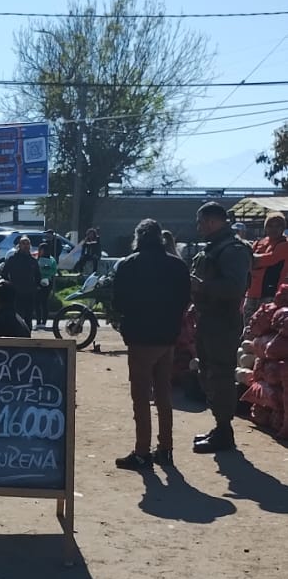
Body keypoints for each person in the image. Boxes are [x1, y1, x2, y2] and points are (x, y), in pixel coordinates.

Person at [111, 218, 191, 470]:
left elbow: (118, 303)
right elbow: (185, 301)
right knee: (164, 394)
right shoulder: (178, 266)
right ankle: (165, 448)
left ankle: (142, 451)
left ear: (138, 238)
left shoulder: (128, 265)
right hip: (167, 338)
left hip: (140, 338)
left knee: (141, 397)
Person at [190, 200, 252, 453]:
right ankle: (220, 426)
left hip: (222, 322)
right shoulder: (214, 248)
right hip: (208, 318)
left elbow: (236, 287)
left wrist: (201, 287)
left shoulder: (233, 250)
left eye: (202, 222)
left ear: (214, 221)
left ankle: (225, 432)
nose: (199, 227)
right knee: (207, 372)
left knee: (220, 375)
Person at [245, 213, 288, 320]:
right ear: (265, 228)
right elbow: (247, 262)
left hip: (272, 295)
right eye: (270, 226)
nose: (273, 229)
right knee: (248, 329)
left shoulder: (285, 244)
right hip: (251, 293)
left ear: (283, 228)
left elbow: (267, 259)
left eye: (278, 226)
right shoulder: (258, 243)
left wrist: (250, 259)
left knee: (265, 330)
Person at [3, 236, 40, 333]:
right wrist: (8, 286)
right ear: (19, 245)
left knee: (29, 317)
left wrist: (36, 287)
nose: (26, 246)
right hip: (15, 293)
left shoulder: (33, 261)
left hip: (29, 293)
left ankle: (28, 337)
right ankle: (15, 336)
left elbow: (38, 276)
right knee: (16, 316)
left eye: (27, 243)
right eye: (23, 243)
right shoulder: (12, 259)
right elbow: (4, 274)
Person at [35, 240, 58, 327]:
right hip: (37, 282)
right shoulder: (37, 259)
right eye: (40, 249)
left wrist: (46, 271)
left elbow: (54, 270)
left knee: (44, 302)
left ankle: (44, 321)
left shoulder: (51, 260)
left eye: (42, 250)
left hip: (47, 282)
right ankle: (38, 321)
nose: (41, 251)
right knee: (36, 302)